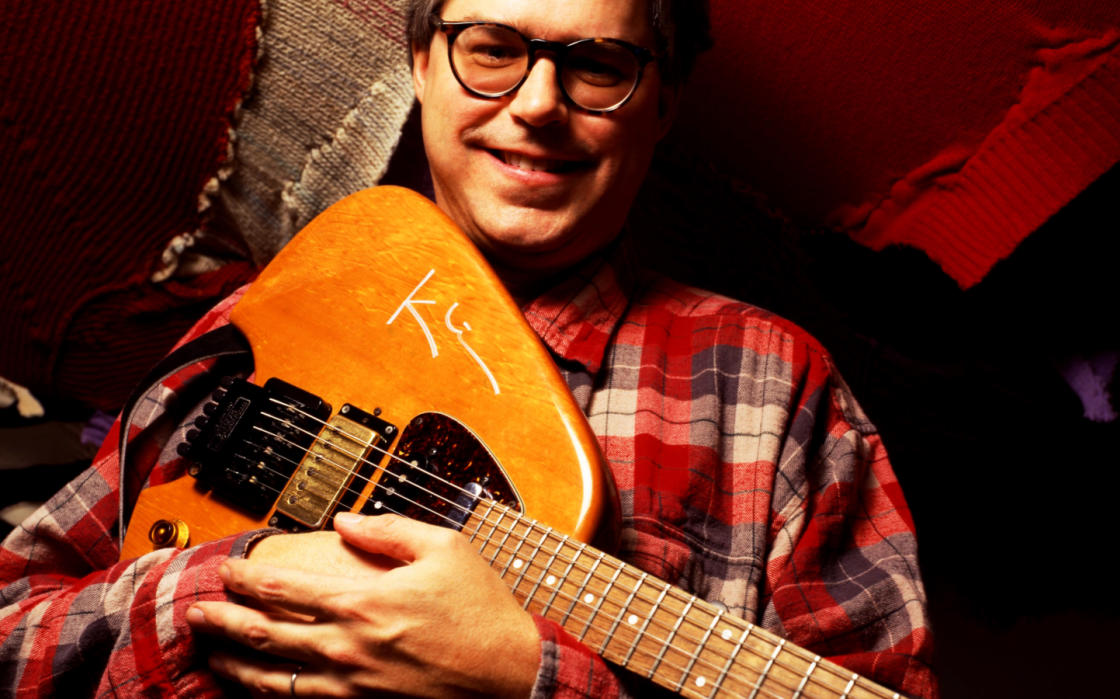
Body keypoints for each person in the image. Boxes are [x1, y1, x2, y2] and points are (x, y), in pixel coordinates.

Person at [0, 0, 936, 696]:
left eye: (599, 65)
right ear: (420, 63)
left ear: (665, 101)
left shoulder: (771, 384)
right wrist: (234, 588)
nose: (536, 105)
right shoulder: (275, 318)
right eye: (491, 50)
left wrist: (527, 676)